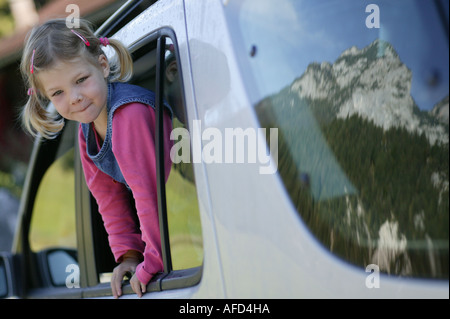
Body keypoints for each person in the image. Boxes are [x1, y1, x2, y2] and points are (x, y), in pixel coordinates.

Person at [20, 18, 173, 298]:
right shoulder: (86, 131)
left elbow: (148, 196)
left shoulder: (129, 116)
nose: (75, 97)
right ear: (47, 98)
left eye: (80, 80)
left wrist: (153, 261)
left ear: (102, 66)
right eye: (58, 93)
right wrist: (128, 256)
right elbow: (109, 200)